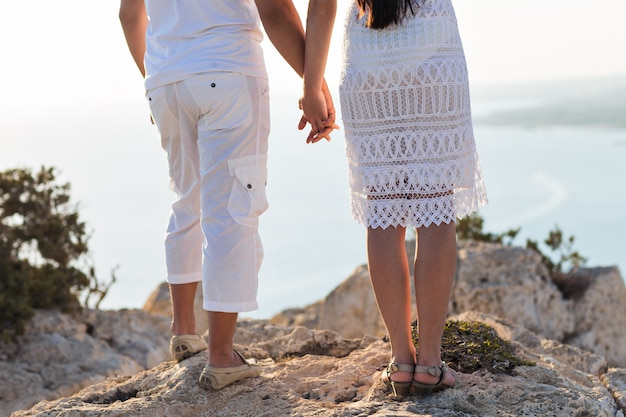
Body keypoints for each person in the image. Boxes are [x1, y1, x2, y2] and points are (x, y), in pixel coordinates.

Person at [118, 0, 338, 390]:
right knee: (234, 212)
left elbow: (130, 15)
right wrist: (313, 83)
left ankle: (184, 331)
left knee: (187, 200)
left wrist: (157, 78)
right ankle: (221, 356)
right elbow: (274, 9)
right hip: (228, 72)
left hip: (165, 82)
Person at [302, 0, 488, 396]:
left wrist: (310, 85)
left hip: (367, 56)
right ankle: (431, 363)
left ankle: (402, 360)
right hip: (433, 48)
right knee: (435, 213)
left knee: (383, 214)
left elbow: (322, 6)